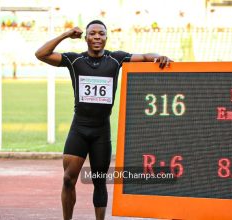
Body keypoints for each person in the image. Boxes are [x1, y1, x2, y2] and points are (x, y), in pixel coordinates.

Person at [35, 20, 172, 220]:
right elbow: (41, 54)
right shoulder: (75, 61)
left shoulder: (116, 59)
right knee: (67, 179)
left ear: (106, 37)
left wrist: (159, 57)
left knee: (99, 181)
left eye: (101, 34)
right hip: (79, 129)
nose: (97, 37)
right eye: (93, 34)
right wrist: (66, 34)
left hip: (101, 131)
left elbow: (144, 56)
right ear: (86, 38)